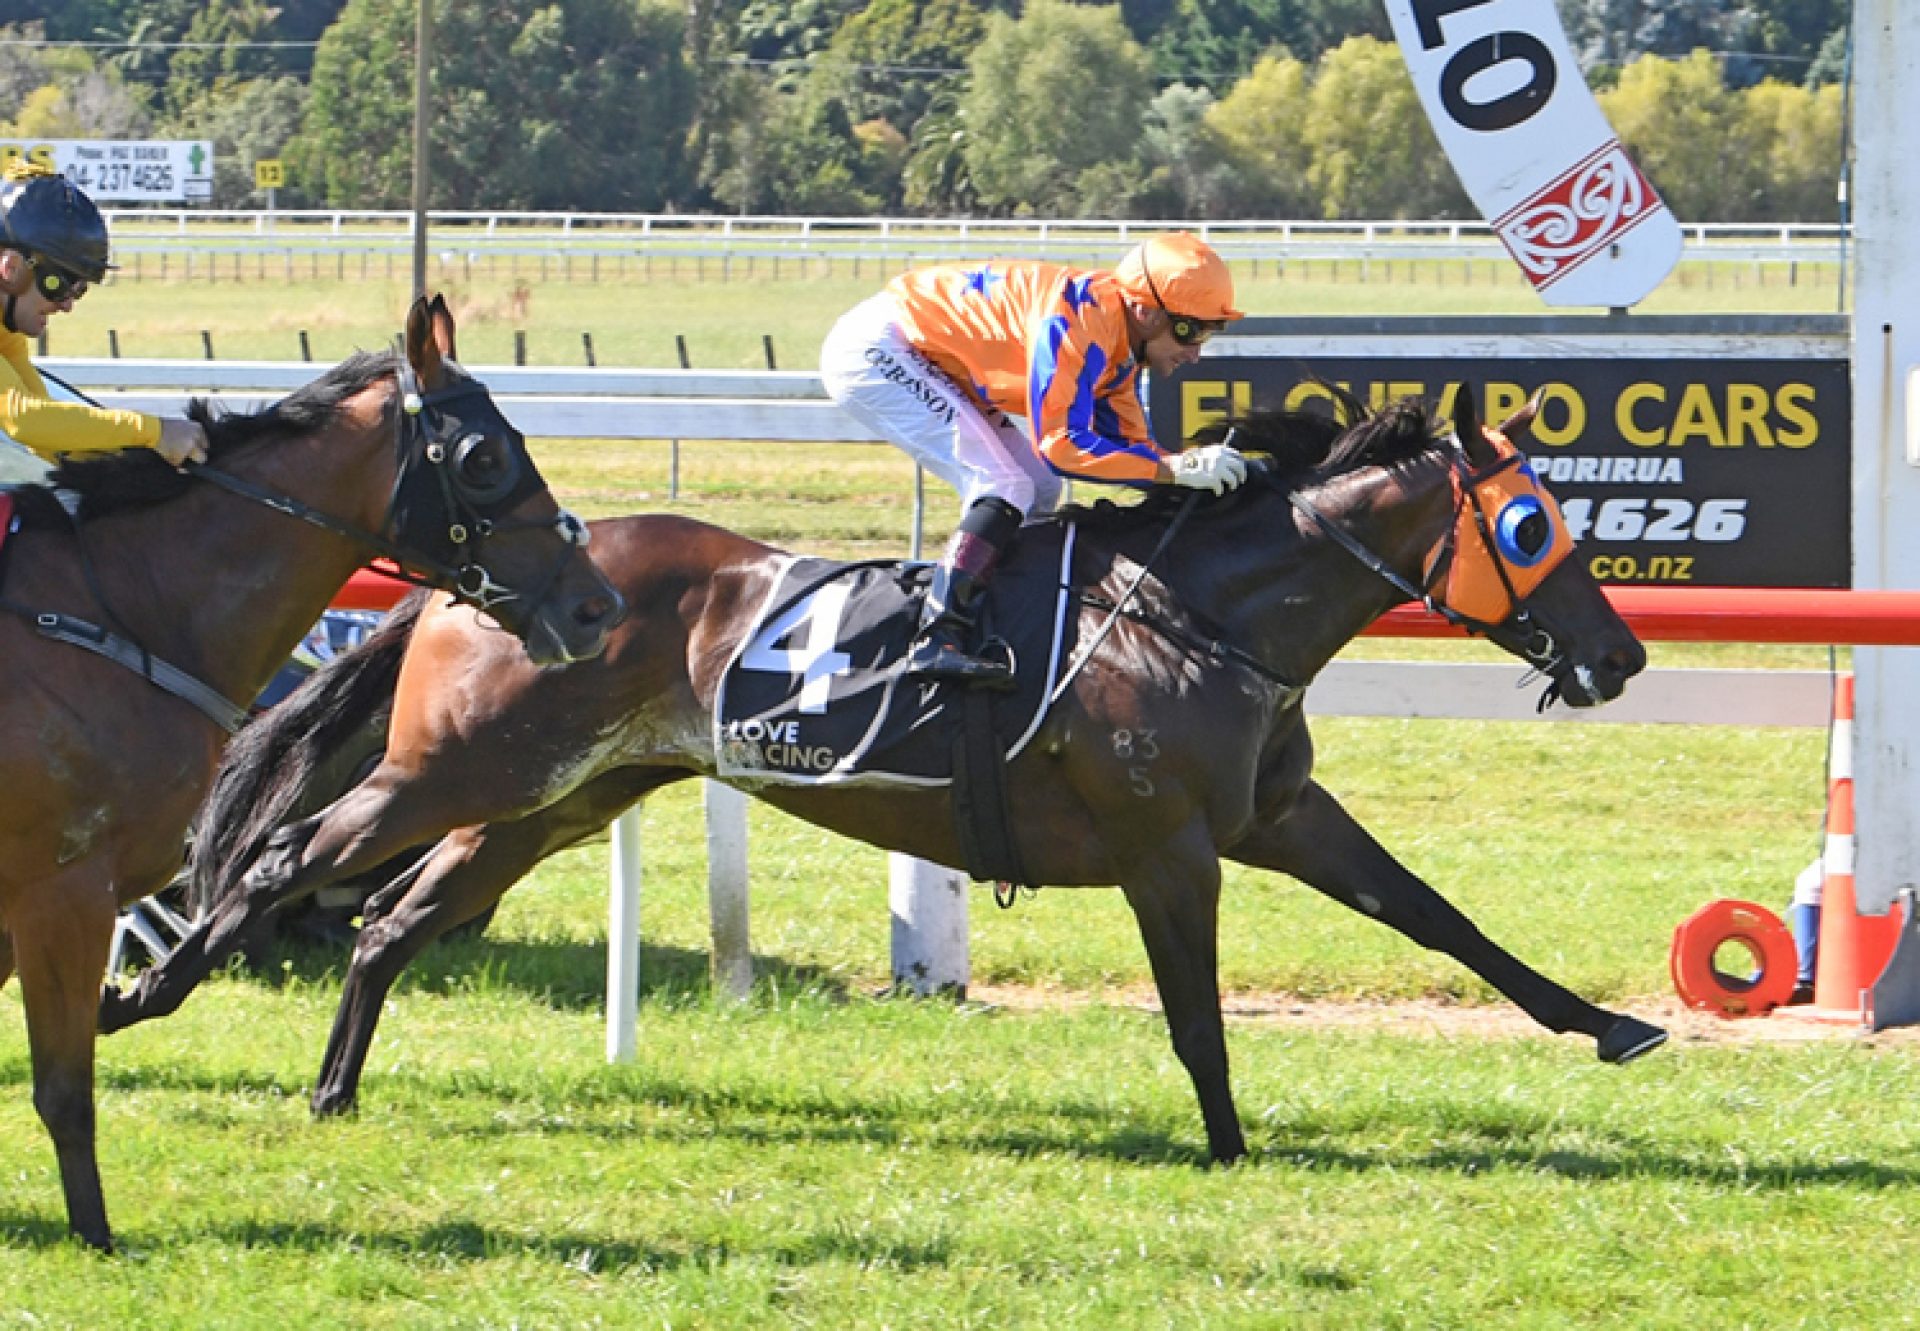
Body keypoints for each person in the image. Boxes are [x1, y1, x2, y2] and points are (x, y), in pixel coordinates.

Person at [820, 230, 1248, 688]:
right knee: (1005, 484)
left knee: (1040, 487)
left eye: (1210, 332)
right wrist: (1174, 469)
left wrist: (1196, 475)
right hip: (881, 350)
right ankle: (937, 637)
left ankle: (1004, 619)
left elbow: (1135, 451)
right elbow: (1062, 447)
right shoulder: (1078, 325)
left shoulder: (1120, 343)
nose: (1196, 353)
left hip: (924, 353)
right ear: (1145, 311)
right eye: (1190, 330)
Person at [0, 162, 207, 469]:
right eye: (60, 286)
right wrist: (153, 432)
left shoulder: (6, 327)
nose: (67, 306)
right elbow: (26, 420)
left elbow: (51, 440)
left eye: (79, 290)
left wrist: (140, 458)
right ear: (11, 269)